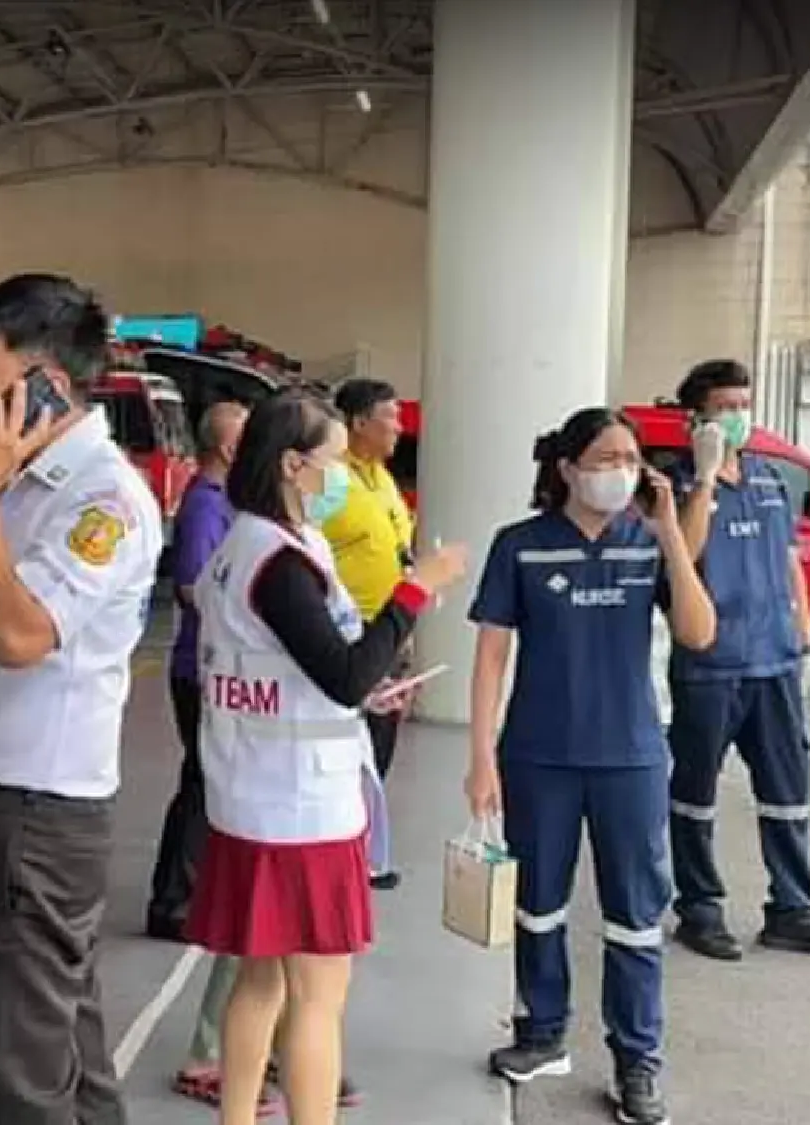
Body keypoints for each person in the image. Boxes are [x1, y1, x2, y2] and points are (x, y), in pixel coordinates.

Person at [0, 273, 161, 1125]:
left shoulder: (101, 499)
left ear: (46, 380)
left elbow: (18, 638)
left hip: (32, 816)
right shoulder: (14, 476)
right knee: (63, 1058)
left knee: (8, 1074)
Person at [189, 391, 465, 1125]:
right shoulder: (277, 558)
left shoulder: (251, 545)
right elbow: (341, 671)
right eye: (333, 461)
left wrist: (360, 691)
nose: (340, 475)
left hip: (256, 794)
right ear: (291, 463)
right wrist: (416, 589)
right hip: (298, 809)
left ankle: (240, 1116)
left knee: (261, 980)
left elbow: (306, 668)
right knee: (317, 997)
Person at [467, 407, 718, 1125]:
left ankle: (637, 1059)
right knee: (537, 905)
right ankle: (542, 1030)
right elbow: (490, 658)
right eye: (606, 457)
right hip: (537, 756)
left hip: (631, 757)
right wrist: (480, 756)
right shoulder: (519, 544)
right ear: (568, 468)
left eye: (632, 458)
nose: (622, 470)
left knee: (635, 917)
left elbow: (700, 631)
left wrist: (671, 528)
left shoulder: (647, 543)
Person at [664, 359, 810, 965]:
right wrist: (701, 480)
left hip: (774, 663)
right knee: (693, 795)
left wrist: (808, 651)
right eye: (724, 407)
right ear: (696, 417)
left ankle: (793, 910)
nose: (737, 417)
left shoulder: (771, 480)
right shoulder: (675, 487)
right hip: (710, 669)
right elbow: (685, 554)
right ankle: (699, 908)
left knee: (787, 794)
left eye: (742, 404)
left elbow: (790, 569)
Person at [146, 399, 248, 943]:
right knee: (201, 784)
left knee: (205, 781)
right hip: (200, 669)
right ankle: (174, 900)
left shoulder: (228, 503)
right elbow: (192, 586)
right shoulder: (207, 508)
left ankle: (189, 892)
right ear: (230, 448)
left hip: (214, 666)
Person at [321, 377, 415, 893]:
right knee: (345, 749)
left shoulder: (382, 480)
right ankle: (341, 848)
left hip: (390, 634)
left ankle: (363, 849)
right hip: (346, 635)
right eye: (390, 417)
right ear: (358, 423)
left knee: (379, 747)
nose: (399, 428)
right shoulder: (333, 481)